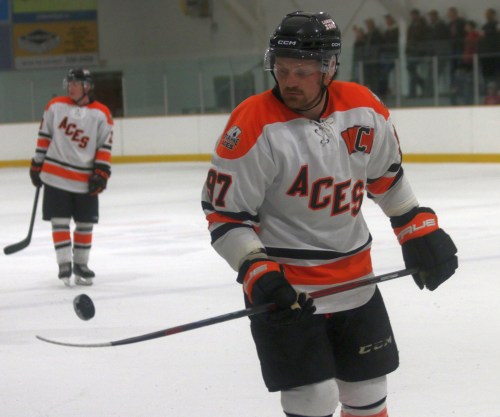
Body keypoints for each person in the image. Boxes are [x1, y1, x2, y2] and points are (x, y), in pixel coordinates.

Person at [201, 10, 458, 417]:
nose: (288, 81)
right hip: (289, 294)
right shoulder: (252, 124)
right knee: (313, 398)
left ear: (328, 68)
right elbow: (225, 216)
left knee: (368, 391)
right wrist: (257, 272)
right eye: (282, 69)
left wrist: (418, 229)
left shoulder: (364, 108)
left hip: (357, 282)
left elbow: (387, 180)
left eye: (302, 71)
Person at [29, 68, 113, 287]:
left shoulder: (101, 113)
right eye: (70, 83)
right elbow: (44, 136)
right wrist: (37, 164)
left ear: (87, 86)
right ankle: (64, 263)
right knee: (59, 222)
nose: (71, 87)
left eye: (76, 83)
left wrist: (101, 172)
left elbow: (105, 145)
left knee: (85, 224)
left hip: (84, 179)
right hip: (55, 177)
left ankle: (81, 265)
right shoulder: (55, 106)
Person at [406, 9, 428, 97]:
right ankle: (420, 84)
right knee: (411, 71)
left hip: (418, 51)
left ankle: (413, 91)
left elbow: (422, 38)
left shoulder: (422, 25)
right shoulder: (411, 26)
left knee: (411, 70)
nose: (413, 17)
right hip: (411, 51)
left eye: (414, 15)